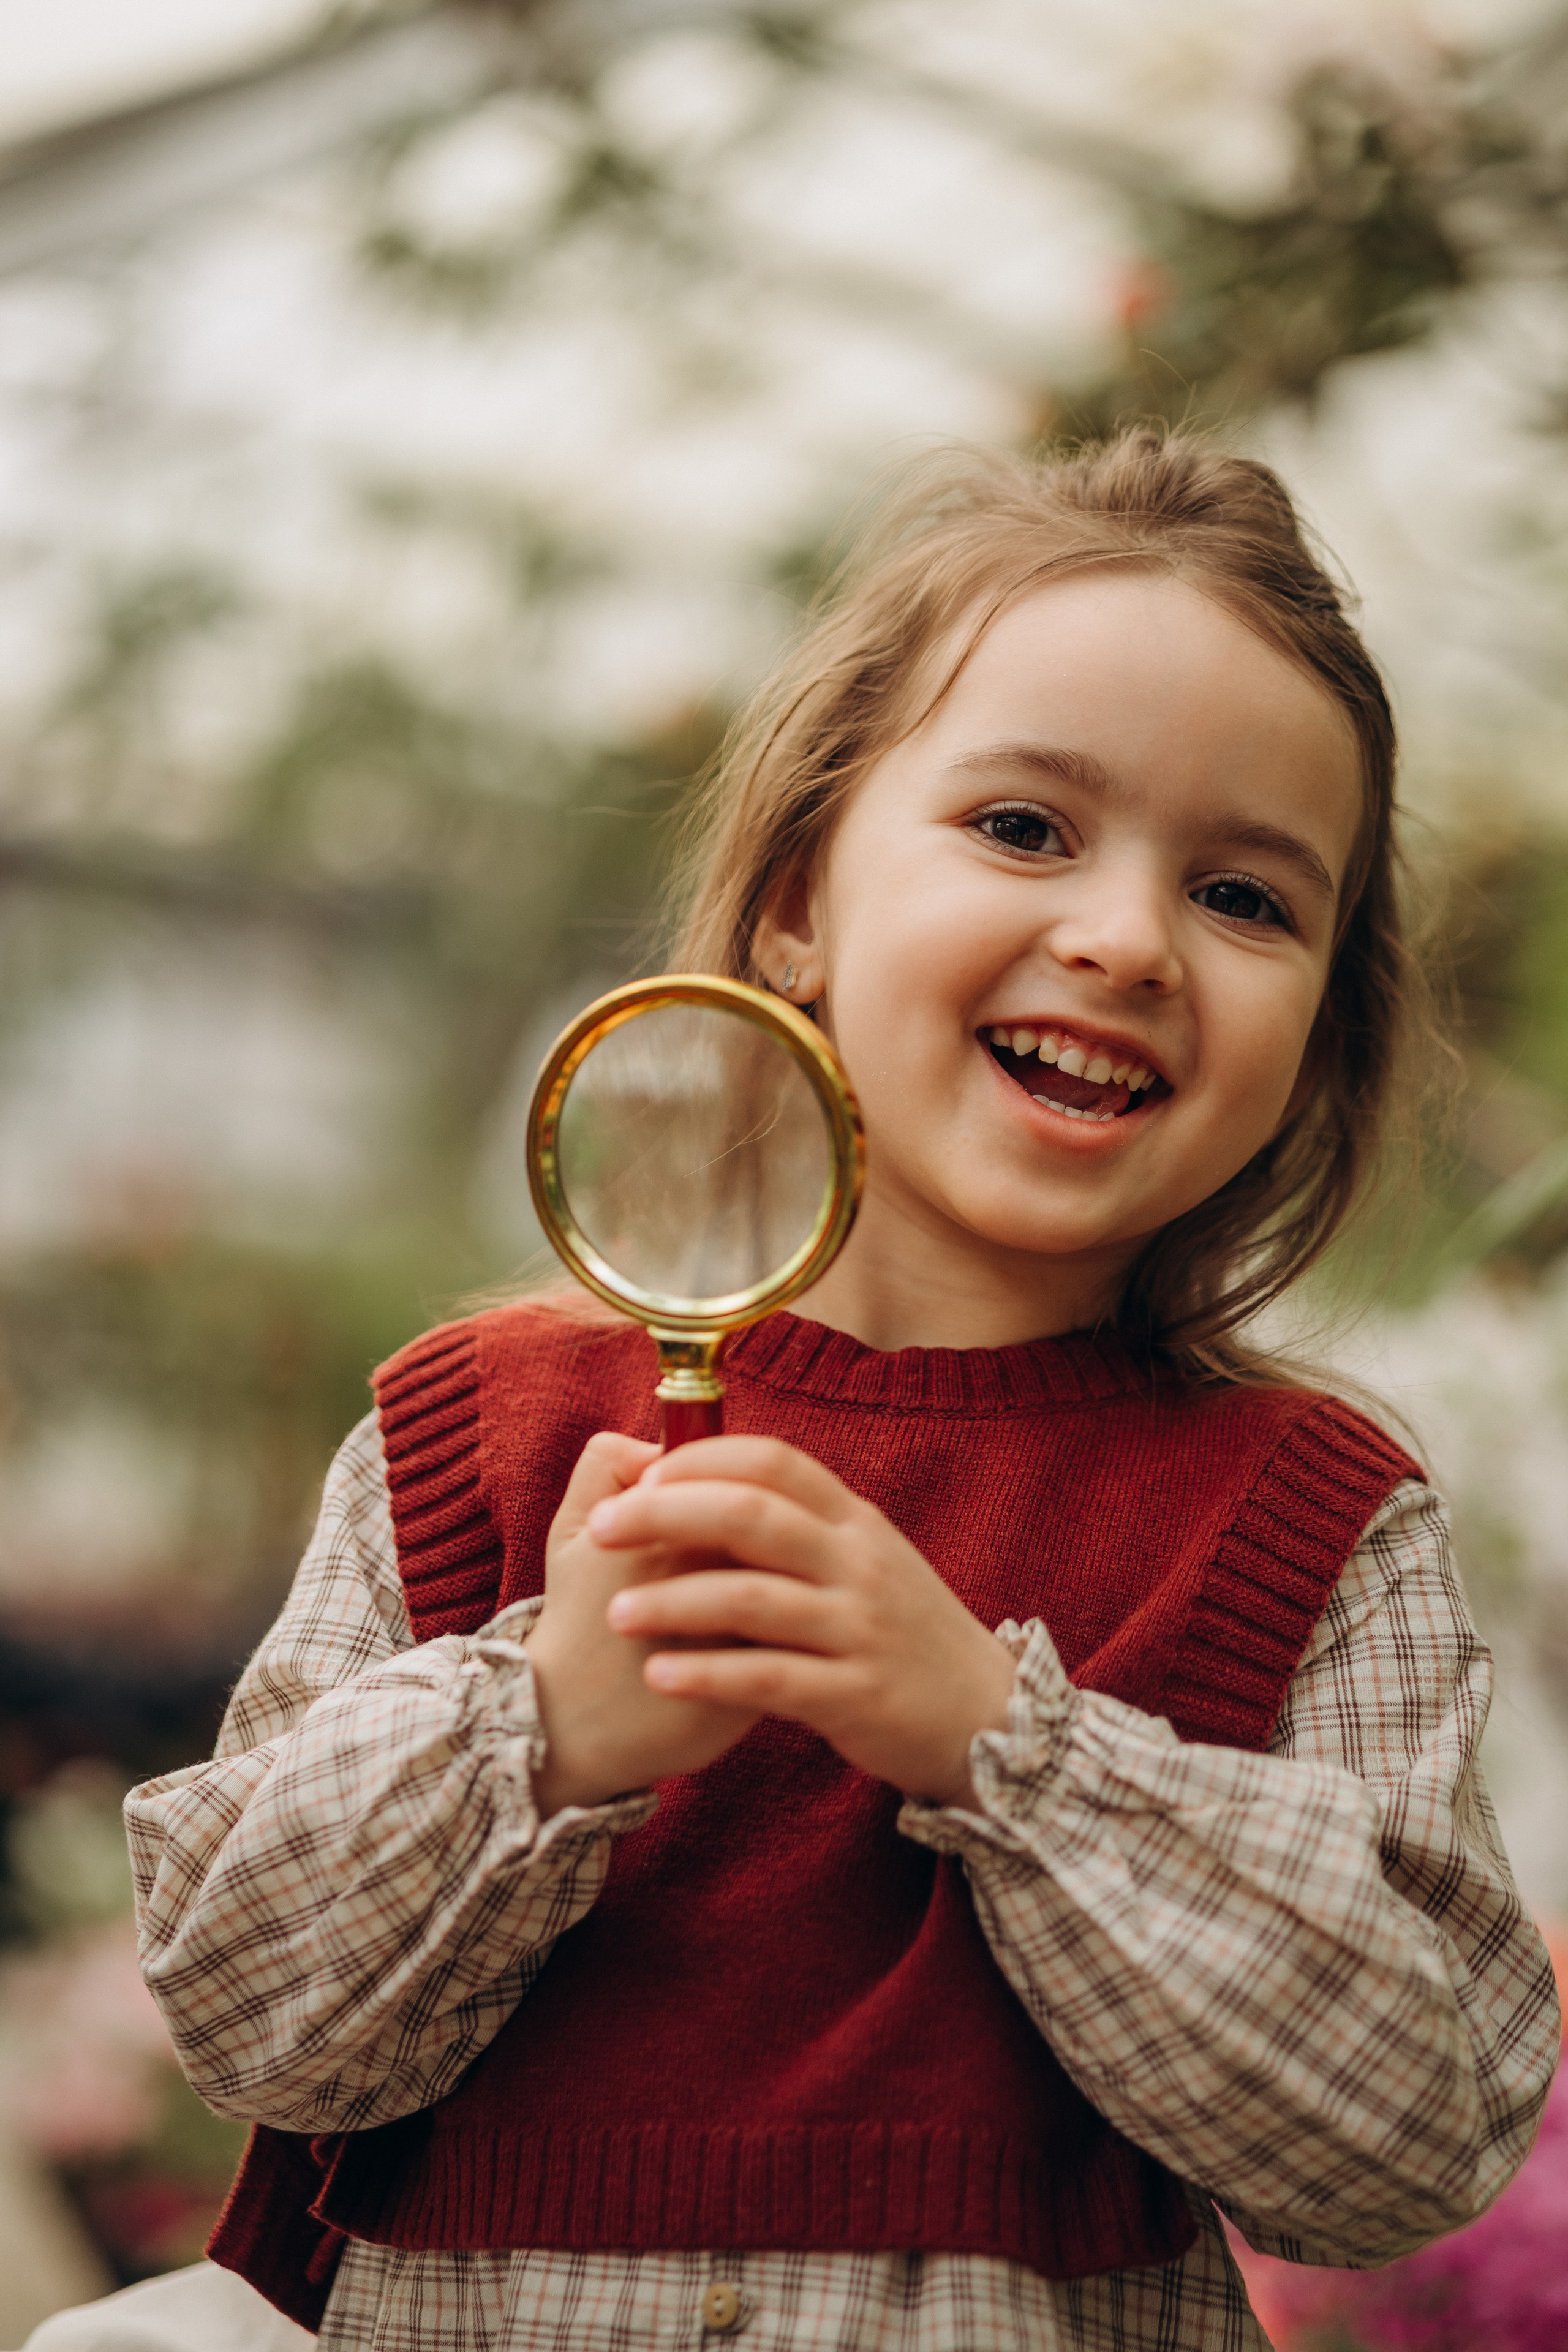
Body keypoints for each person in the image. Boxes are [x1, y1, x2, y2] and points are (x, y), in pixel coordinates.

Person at [123, 432, 1557, 2352]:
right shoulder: (472, 1430)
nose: (1127, 940)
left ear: (1316, 1040)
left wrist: (1000, 1742)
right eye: (1027, 830)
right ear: (799, 897)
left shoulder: (1310, 1518)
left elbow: (1408, 2137)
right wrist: (541, 1726)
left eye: (1244, 894)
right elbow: (244, 2011)